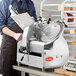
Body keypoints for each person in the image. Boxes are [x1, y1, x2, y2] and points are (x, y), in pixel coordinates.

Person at [0, 0, 37, 76]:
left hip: (24, 46)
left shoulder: (29, 3)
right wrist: (14, 35)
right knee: (8, 72)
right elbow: (1, 25)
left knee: (23, 71)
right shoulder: (6, 2)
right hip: (9, 46)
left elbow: (34, 24)